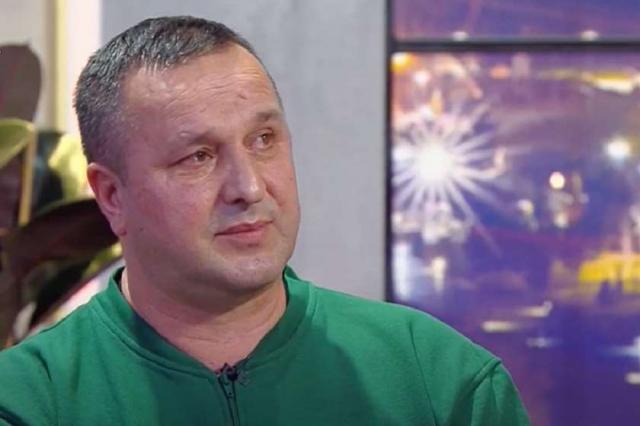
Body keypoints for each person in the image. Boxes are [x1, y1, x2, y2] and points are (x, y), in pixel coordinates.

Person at [0, 16, 530, 425]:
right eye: (198, 157)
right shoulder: (28, 401)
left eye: (263, 140)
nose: (250, 187)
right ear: (112, 196)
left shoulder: (438, 380)